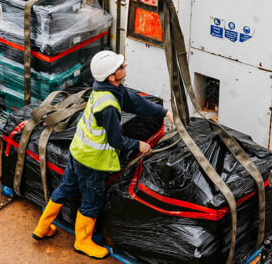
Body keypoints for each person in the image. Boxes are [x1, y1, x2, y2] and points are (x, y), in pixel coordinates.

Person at [32, 50, 174, 259]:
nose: (124, 66)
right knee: (92, 201)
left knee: (66, 188)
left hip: (78, 152)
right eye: (120, 67)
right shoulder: (107, 106)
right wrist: (139, 145)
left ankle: (42, 228)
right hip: (92, 162)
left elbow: (134, 101)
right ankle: (82, 242)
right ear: (112, 76)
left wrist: (165, 112)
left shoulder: (106, 90)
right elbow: (116, 141)